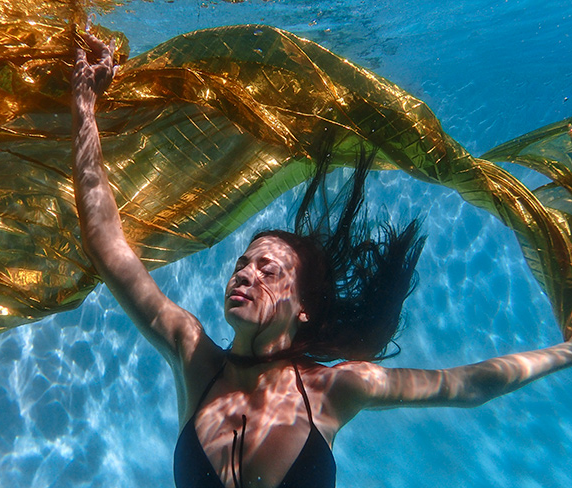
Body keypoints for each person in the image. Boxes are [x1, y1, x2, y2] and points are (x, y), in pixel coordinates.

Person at [72, 33, 572, 488]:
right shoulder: (190, 352)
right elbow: (106, 243)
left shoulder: (335, 388)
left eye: (268, 270)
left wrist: (567, 352)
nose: (245, 273)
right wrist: (86, 106)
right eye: (243, 264)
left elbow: (467, 385)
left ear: (303, 308)